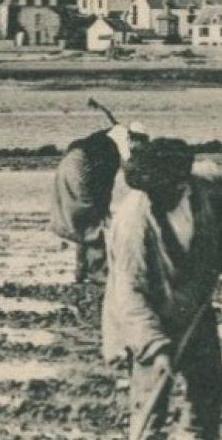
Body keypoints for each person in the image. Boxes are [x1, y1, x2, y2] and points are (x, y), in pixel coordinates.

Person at [103, 138, 222, 440]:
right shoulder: (132, 221)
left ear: (181, 180)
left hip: (195, 305)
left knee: (208, 383)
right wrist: (154, 346)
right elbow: (128, 294)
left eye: (163, 190)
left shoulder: (210, 184)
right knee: (150, 396)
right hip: (150, 312)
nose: (155, 197)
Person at [50, 121, 149, 310]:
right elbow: (124, 170)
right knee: (92, 222)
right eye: (140, 145)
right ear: (134, 139)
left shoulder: (108, 139)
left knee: (83, 221)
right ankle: (99, 275)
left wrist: (103, 208)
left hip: (69, 163)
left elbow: (104, 182)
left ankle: (82, 271)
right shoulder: (121, 141)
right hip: (79, 166)